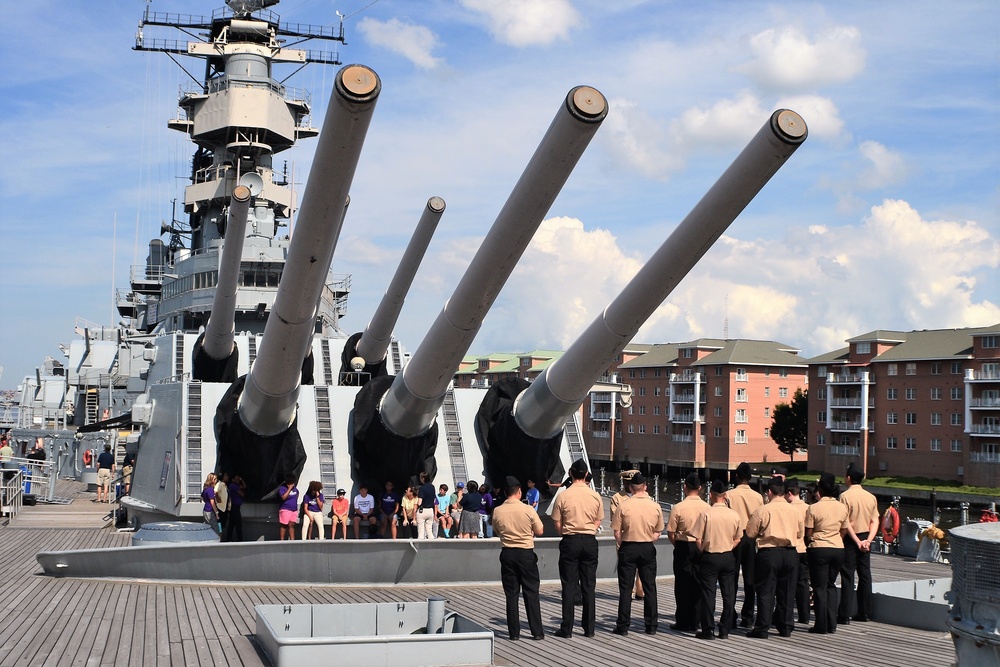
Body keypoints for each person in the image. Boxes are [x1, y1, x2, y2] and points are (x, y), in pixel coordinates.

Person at [550, 458, 604, 638]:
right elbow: (598, 520)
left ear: (571, 474)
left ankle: (567, 628)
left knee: (569, 585)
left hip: (570, 540)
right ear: (587, 475)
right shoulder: (595, 495)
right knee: (589, 585)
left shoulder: (563, 496)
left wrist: (565, 531)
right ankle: (589, 628)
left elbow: (557, 522)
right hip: (589, 540)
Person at [745, 476, 803, 638]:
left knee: (765, 591)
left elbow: (750, 533)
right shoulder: (795, 511)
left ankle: (762, 627)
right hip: (790, 552)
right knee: (787, 591)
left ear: (769, 492)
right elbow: (800, 533)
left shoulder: (763, 510)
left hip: (769, 553)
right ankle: (785, 626)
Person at [491, 475, 545, 641]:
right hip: (526, 553)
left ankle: (514, 633)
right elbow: (540, 530)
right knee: (531, 592)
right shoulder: (527, 509)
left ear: (506, 492)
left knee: (511, 594)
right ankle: (536, 631)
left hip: (507, 553)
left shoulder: (498, 510)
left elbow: (497, 531)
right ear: (519, 491)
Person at [611, 473, 664, 636]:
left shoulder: (624, 505)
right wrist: (650, 540)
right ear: (645, 487)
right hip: (647, 547)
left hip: (628, 546)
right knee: (650, 587)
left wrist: (622, 543)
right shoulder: (655, 506)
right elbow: (658, 531)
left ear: (631, 488)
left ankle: (623, 625)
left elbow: (616, 532)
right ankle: (651, 625)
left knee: (625, 589)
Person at [693, 479, 742, 640]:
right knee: (729, 594)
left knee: (709, 593)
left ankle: (708, 629)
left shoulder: (706, 513)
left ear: (711, 495)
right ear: (725, 495)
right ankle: (725, 628)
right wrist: (729, 546)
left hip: (710, 555)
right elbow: (738, 538)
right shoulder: (734, 515)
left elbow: (698, 539)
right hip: (728, 555)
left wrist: (704, 551)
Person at [806, 472, 848, 634]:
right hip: (838, 548)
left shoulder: (814, 508)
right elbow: (844, 530)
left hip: (819, 548)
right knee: (831, 585)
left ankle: (821, 624)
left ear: (820, 490)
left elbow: (808, 533)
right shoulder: (842, 507)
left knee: (819, 587)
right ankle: (832, 623)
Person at [666, 472, 709, 633]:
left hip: (683, 545)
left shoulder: (678, 507)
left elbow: (671, 532)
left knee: (682, 585)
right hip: (701, 546)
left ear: (685, 487)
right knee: (698, 583)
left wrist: (677, 545)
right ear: (700, 488)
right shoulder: (707, 507)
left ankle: (683, 620)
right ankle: (696, 620)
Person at [838, 462, 879, 624]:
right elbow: (875, 521)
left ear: (848, 478)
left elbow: (845, 522)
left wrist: (856, 541)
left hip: (850, 538)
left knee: (848, 576)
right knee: (865, 575)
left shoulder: (845, 497)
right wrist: (868, 540)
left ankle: (844, 614)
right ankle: (864, 612)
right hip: (866, 537)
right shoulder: (871, 497)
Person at [726, 462, 764, 628]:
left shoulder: (728, 495)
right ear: (750, 478)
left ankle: (730, 616)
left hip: (734, 537)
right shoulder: (758, 497)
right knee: (750, 579)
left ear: (736, 476)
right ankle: (748, 616)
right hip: (750, 537)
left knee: (731, 578)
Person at [610, 469, 645, 600]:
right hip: (624, 537)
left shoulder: (645, 497)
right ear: (624, 482)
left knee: (641, 568)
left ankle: (640, 591)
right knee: (625, 568)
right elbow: (615, 520)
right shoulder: (617, 498)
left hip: (641, 535)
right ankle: (628, 591)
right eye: (627, 482)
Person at [783, 478, 811, 625]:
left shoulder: (788, 509)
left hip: (792, 548)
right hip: (804, 548)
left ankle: (786, 615)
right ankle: (804, 615)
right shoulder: (808, 508)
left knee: (788, 583)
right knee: (803, 582)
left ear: (788, 493)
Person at [278, 475, 300, 540]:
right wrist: (289, 489)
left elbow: (296, 496)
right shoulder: (282, 488)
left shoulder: (295, 490)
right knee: (284, 525)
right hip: (285, 509)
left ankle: (292, 540)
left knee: (292, 525)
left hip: (293, 510)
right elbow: (283, 497)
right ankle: (282, 540)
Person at [416, 472, 436, 539]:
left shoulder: (422, 488)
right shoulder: (432, 487)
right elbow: (434, 500)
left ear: (423, 478)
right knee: (429, 531)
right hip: (430, 510)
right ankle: (431, 546)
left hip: (422, 510)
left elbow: (419, 502)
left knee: (421, 532)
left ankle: (420, 547)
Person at [226, 475, 246, 542]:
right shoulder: (233, 486)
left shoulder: (236, 485)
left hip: (236, 507)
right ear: (233, 479)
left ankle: (229, 538)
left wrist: (241, 480)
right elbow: (242, 494)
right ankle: (239, 539)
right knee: (237, 524)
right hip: (234, 507)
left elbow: (244, 487)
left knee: (232, 524)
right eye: (237, 479)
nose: (238, 480)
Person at [214, 472, 231, 538]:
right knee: (219, 525)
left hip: (224, 509)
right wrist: (218, 499)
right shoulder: (219, 484)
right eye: (226, 475)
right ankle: (219, 538)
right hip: (220, 509)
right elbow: (215, 492)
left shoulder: (224, 485)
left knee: (222, 525)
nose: (227, 477)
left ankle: (220, 537)